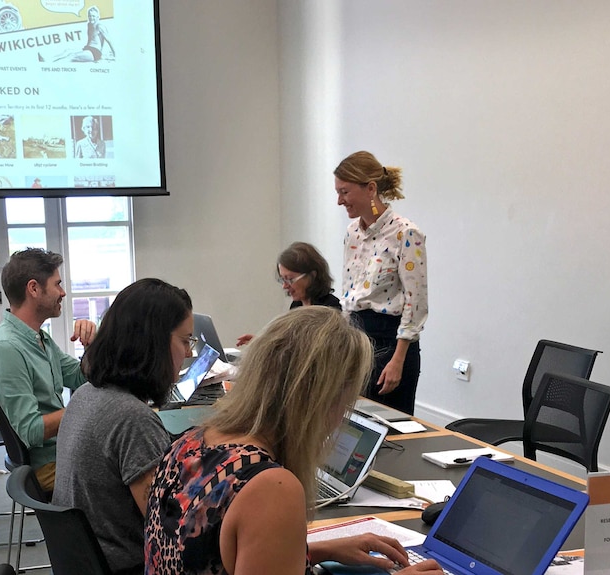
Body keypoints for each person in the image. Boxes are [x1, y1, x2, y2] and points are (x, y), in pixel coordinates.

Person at [144, 306, 442, 575]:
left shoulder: (190, 441)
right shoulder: (270, 487)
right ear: (324, 399)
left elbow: (216, 552)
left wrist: (318, 550)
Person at [53, 278, 191, 574]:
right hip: (129, 565)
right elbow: (169, 533)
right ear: (154, 342)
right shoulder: (132, 419)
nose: (189, 353)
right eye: (185, 340)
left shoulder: (86, 394)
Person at [0, 248, 97, 492]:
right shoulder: (6, 350)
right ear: (33, 289)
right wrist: (85, 407)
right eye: (57, 284)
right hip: (48, 466)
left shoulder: (37, 337)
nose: (63, 293)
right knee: (137, 466)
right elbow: (31, 431)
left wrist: (94, 346)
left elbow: (79, 377)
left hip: (62, 449)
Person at [335, 151, 428, 415]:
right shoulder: (353, 233)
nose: (340, 201)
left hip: (391, 342)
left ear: (370, 189)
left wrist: (398, 360)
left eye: (345, 192)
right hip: (356, 339)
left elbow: (416, 302)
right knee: (352, 423)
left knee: (390, 431)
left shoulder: (406, 233)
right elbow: (349, 292)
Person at [236, 241, 340, 346]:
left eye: (290, 279)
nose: (285, 286)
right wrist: (261, 344)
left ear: (312, 276)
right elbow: (290, 346)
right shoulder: (296, 305)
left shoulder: (331, 309)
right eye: (283, 280)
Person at [41, 5, 115, 63]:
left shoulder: (100, 26)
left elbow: (110, 41)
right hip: (88, 48)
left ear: (98, 17)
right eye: (89, 16)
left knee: (72, 56)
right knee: (67, 50)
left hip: (95, 52)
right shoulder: (89, 25)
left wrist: (115, 55)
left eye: (93, 16)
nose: (91, 18)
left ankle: (53, 65)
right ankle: (48, 60)